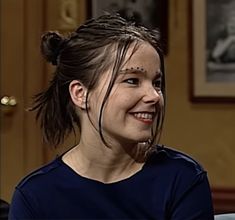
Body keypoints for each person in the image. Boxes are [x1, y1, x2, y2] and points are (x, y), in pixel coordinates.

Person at [9, 14, 214, 219]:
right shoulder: (35, 197)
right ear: (81, 94)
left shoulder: (182, 178)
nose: (154, 96)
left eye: (157, 83)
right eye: (133, 81)